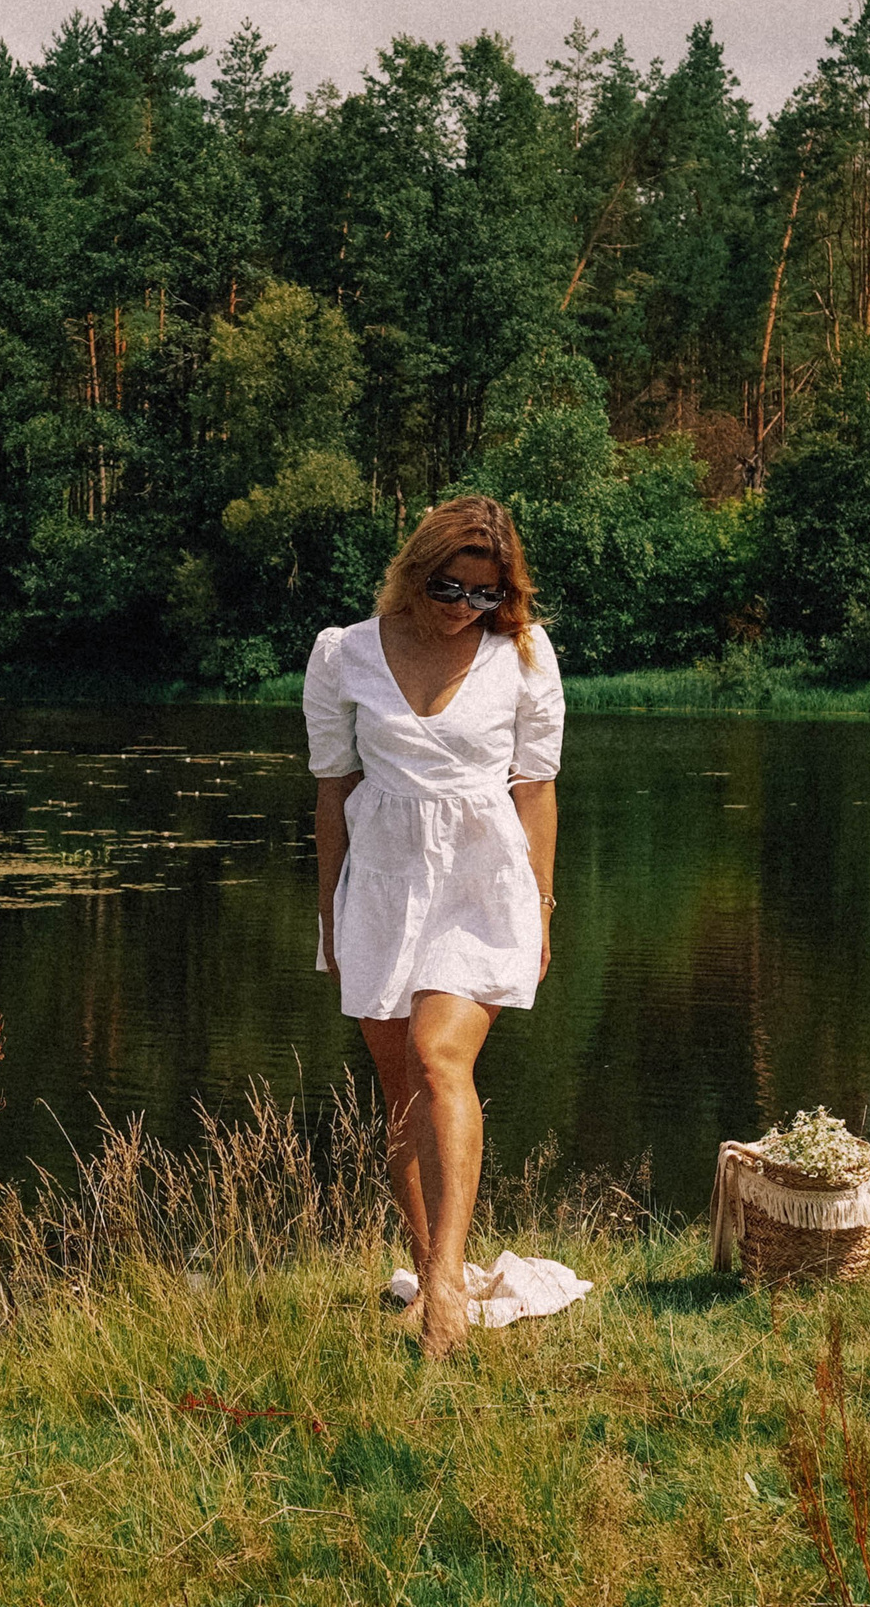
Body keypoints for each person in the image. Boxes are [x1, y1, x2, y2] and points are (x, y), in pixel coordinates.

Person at [302, 494, 562, 1359]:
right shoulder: (344, 655)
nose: (465, 610)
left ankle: (446, 1287)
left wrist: (544, 907)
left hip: (481, 886)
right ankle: (429, 1266)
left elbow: (535, 789)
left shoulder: (521, 655)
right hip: (378, 881)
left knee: (438, 1055)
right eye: (451, 589)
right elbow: (332, 789)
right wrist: (328, 908)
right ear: (416, 572)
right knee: (399, 1090)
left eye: (486, 595)